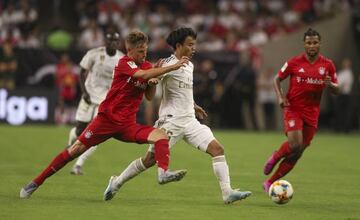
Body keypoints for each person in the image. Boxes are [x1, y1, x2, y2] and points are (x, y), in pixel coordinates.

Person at [20, 30, 189, 199]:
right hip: (106, 121)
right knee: (75, 150)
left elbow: (150, 96)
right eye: (140, 51)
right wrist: (172, 66)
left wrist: (152, 83)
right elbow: (142, 75)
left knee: (161, 136)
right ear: (129, 50)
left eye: (145, 51)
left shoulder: (146, 66)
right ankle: (35, 182)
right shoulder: (124, 63)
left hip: (128, 125)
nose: (144, 55)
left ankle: (163, 173)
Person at [103, 27, 252, 204]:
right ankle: (116, 182)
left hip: (190, 121)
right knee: (149, 160)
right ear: (179, 45)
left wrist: (194, 105)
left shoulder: (189, 64)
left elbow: (184, 91)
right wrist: (152, 81)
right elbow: (152, 87)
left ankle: (227, 192)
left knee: (217, 149)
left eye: (194, 44)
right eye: (190, 44)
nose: (193, 48)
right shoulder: (166, 64)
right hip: (171, 120)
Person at [262, 28, 339, 192]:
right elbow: (277, 78)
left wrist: (330, 85)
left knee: (297, 153)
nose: (312, 46)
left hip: (312, 113)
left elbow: (337, 89)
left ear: (320, 44)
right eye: (309, 43)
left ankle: (270, 182)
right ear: (304, 44)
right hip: (293, 108)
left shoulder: (328, 65)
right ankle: (276, 155)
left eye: (315, 43)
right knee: (295, 144)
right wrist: (280, 97)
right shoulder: (294, 62)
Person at [68, 32, 124, 175]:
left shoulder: (121, 59)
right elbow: (81, 72)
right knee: (80, 130)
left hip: (105, 101)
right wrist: (84, 92)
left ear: (118, 43)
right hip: (89, 96)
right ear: (106, 41)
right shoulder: (93, 54)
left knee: (95, 134)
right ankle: (70, 144)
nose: (113, 43)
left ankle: (78, 165)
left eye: (116, 41)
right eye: (111, 40)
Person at [334, 58, 354, 133]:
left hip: (345, 95)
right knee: (339, 111)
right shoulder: (342, 72)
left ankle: (346, 129)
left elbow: (343, 84)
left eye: (347, 63)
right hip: (340, 94)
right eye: (345, 63)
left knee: (345, 112)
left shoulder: (349, 73)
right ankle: (339, 127)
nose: (345, 64)